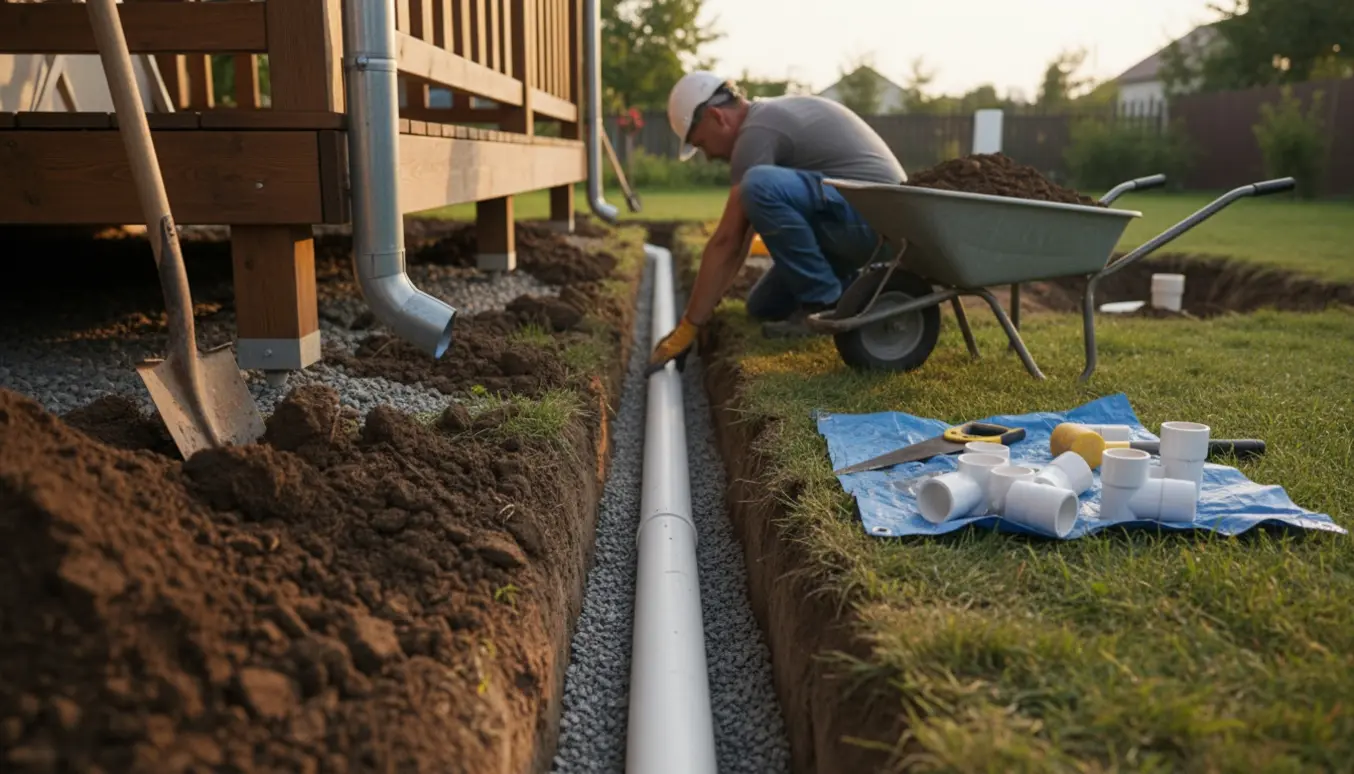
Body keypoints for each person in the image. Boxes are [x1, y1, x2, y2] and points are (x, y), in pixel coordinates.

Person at [644, 70, 907, 376]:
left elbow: (727, 240)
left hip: (879, 221)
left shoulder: (756, 133)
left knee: (758, 185)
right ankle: (852, 296)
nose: (709, 156)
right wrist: (698, 318)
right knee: (763, 306)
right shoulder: (764, 119)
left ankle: (823, 303)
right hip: (855, 222)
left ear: (717, 116)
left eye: (702, 144)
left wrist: (688, 326)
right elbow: (739, 240)